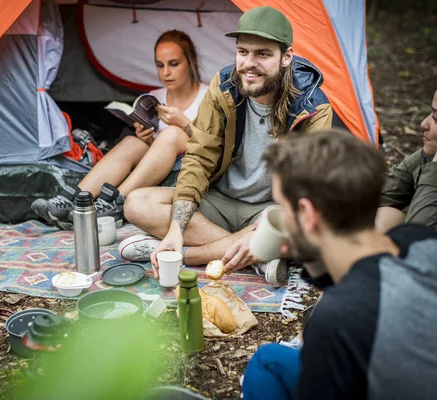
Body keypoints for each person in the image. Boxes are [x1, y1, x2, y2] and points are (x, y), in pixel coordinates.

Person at [119, 6, 332, 287]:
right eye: (243, 52)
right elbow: (198, 158)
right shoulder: (224, 88)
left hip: (269, 210)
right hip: (220, 201)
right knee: (137, 203)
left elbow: (307, 191)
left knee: (309, 232)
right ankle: (257, 256)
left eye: (263, 54)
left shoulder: (312, 108)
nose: (249, 63)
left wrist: (267, 227)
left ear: (286, 57)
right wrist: (174, 228)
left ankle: (186, 254)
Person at [242, 130, 437, 400]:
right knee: (269, 359)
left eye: (282, 206)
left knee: (268, 361)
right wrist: (307, 252)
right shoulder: (417, 240)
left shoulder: (338, 321)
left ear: (308, 214)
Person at [31, 30, 209, 229]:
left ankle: (116, 200)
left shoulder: (209, 95)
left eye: (174, 64)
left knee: (173, 133)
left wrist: (183, 122)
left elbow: (216, 144)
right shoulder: (155, 96)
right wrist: (147, 137)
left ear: (190, 62)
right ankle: (74, 199)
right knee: (133, 141)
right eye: (160, 65)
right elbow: (157, 150)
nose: (165, 72)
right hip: (158, 165)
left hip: (191, 166)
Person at [375, 88, 437, 231]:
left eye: (435, 118)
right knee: (386, 217)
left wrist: (434, 171)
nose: (423, 124)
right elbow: (381, 193)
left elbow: (421, 239)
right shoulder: (429, 155)